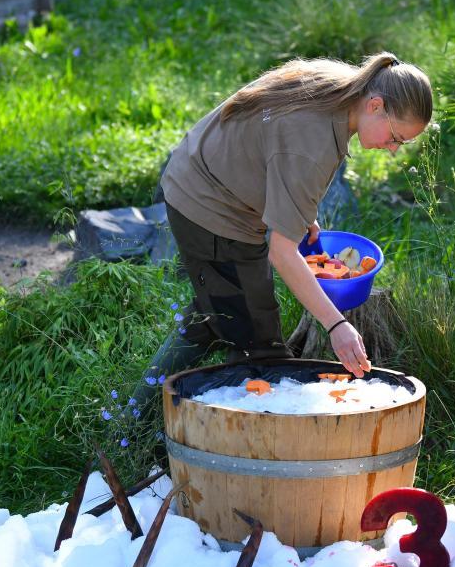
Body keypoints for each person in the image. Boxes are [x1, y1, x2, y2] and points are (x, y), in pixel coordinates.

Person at [131, 52, 432, 419]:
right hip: (210, 208)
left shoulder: (341, 86)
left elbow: (273, 145)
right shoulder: (314, 144)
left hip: (200, 174)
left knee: (221, 312)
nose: (394, 149)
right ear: (375, 105)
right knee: (263, 356)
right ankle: (176, 434)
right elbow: (282, 252)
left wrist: (299, 212)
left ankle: (132, 420)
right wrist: (337, 325)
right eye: (396, 137)